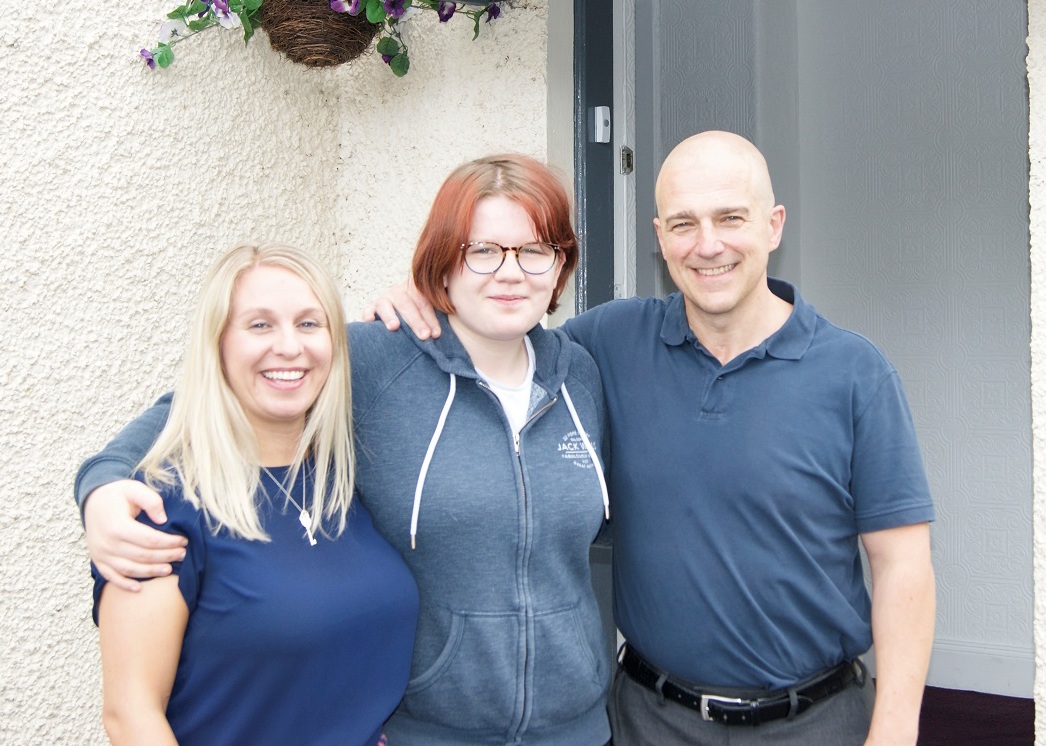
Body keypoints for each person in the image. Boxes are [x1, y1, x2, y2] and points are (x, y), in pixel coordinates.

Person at [364, 131, 938, 745]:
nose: (708, 244)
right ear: (660, 236)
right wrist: (422, 299)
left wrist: (896, 729)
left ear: (773, 226)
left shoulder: (856, 373)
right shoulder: (607, 345)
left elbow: (903, 566)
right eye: (685, 223)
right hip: (648, 719)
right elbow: (504, 333)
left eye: (731, 218)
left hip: (816, 721)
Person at [76, 156, 613, 744]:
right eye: (482, 251)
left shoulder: (580, 376)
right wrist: (101, 483)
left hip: (575, 730)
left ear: (560, 264)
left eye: (535, 250)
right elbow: (202, 400)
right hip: (427, 732)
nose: (511, 273)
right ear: (443, 261)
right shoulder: (373, 358)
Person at [90, 243, 419, 745]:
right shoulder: (164, 509)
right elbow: (131, 715)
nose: (289, 347)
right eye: (260, 325)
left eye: (309, 324)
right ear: (218, 343)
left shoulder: (343, 484)